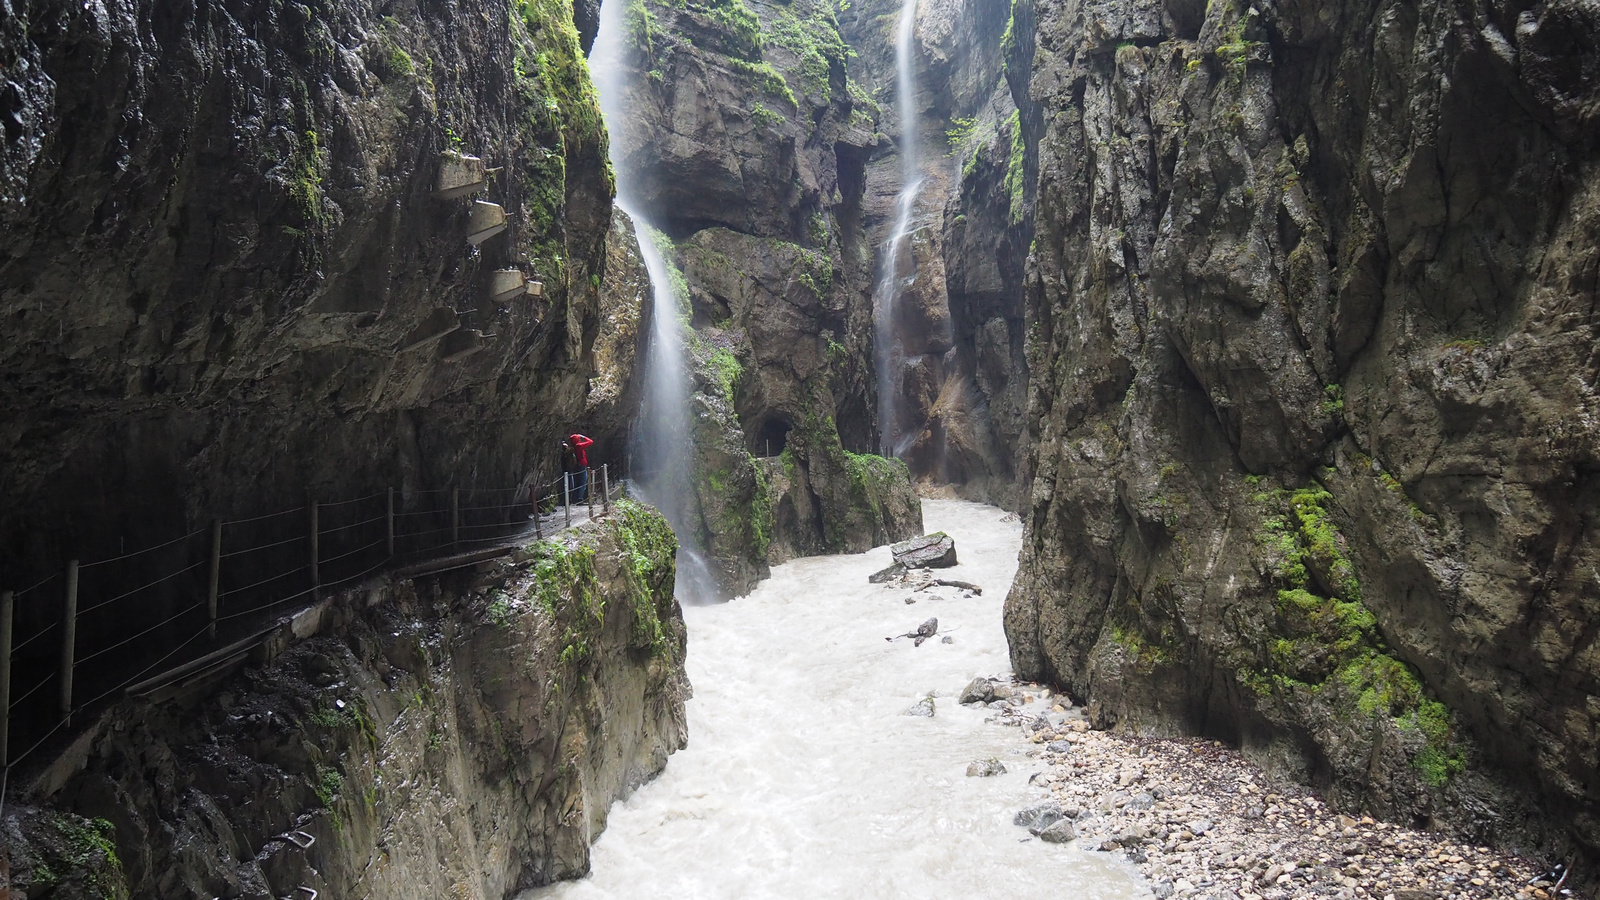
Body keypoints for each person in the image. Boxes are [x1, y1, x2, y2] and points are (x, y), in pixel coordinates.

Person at [563, 433, 594, 503]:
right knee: (583, 482)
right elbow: (590, 441)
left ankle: (576, 498)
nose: (580, 439)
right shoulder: (579, 446)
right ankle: (580, 498)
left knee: (579, 481)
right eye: (578, 438)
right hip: (582, 466)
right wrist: (584, 436)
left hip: (578, 465)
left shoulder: (574, 447)